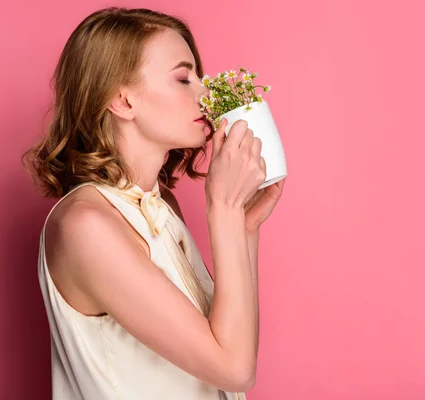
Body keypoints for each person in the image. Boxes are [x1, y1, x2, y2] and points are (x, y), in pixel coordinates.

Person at [21, 7, 285, 400]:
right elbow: (235, 370)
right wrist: (224, 213)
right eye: (183, 78)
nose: (206, 93)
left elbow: (226, 350)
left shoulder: (163, 208)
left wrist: (245, 229)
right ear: (122, 100)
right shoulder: (85, 225)